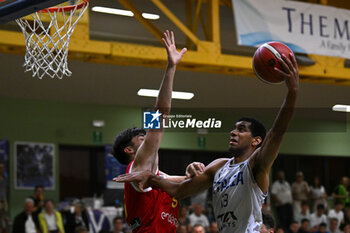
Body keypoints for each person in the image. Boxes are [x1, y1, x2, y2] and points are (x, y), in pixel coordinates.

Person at [115, 51, 300, 233]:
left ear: (256, 141)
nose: (234, 132)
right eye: (234, 128)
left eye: (241, 129)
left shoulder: (255, 165)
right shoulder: (218, 166)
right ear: (129, 151)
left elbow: (276, 133)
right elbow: (180, 190)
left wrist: (292, 92)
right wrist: (171, 67)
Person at [111, 30, 204, 233]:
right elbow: (160, 113)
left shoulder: (155, 175)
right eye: (141, 137)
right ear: (129, 150)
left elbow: (191, 182)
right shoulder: (140, 165)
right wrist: (171, 67)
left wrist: (195, 170)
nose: (146, 139)